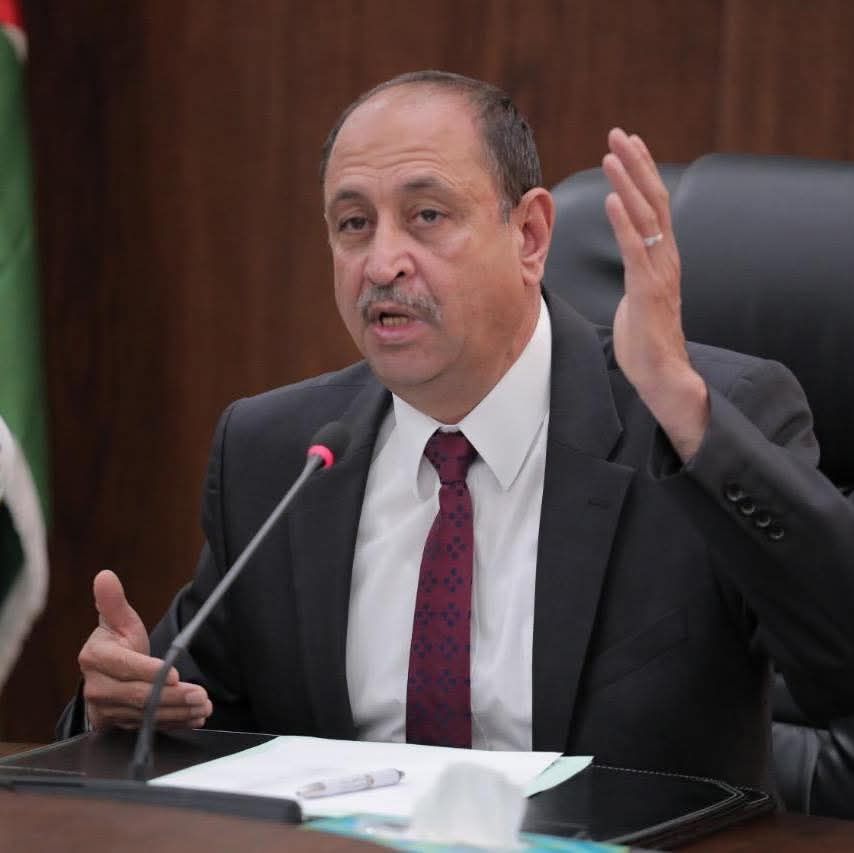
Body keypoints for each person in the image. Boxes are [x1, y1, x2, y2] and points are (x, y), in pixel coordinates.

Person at [62, 71, 854, 791]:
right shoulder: (278, 455)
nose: (383, 263)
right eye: (353, 224)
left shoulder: (697, 423)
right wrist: (116, 703)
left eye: (427, 215)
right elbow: (186, 720)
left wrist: (686, 412)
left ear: (530, 236)